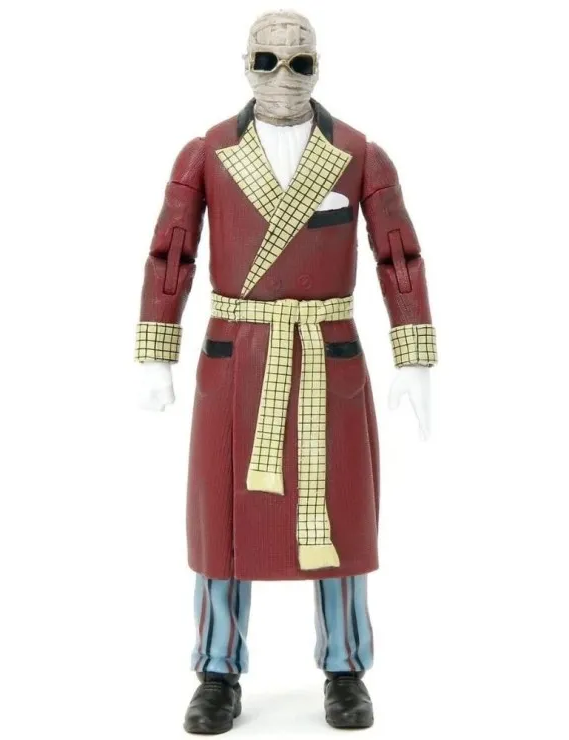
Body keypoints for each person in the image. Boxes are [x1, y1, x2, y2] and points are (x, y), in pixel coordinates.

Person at [134, 10, 437, 733]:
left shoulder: (359, 154)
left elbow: (398, 254)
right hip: (236, 357)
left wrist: (414, 357)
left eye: (299, 63)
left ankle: (346, 666)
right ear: (245, 64)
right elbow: (172, 252)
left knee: (341, 516)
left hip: (327, 355)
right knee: (220, 524)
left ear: (318, 67)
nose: (282, 76)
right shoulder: (207, 152)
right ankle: (216, 669)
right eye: (267, 61)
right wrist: (156, 351)